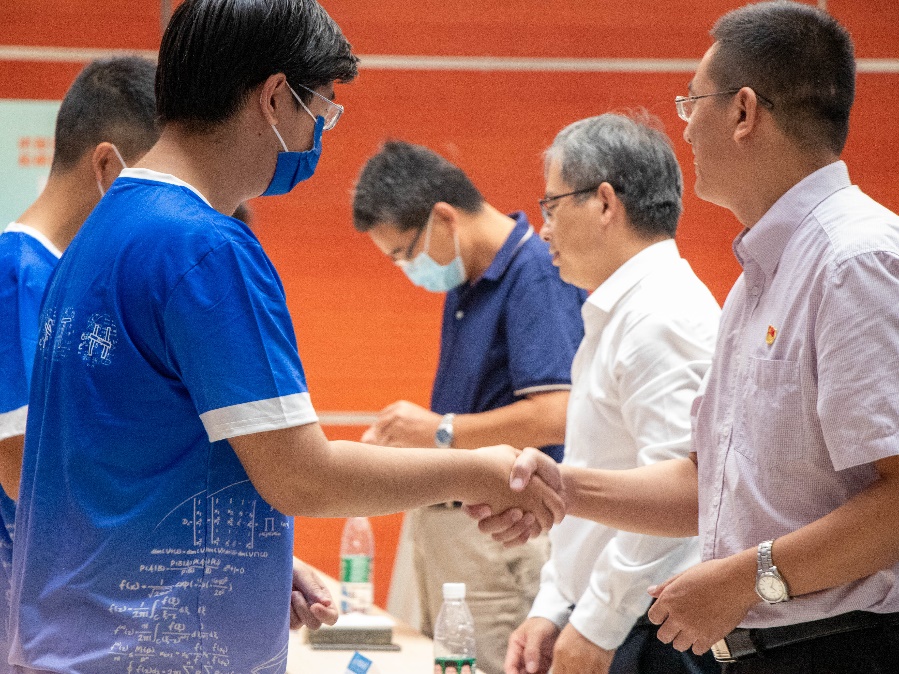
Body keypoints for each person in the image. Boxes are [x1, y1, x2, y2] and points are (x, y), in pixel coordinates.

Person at [7, 2, 563, 673]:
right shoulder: (206, 249)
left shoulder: (99, 234)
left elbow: (120, 469)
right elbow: (302, 475)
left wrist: (255, 557)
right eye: (319, 111)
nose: (316, 137)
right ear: (274, 97)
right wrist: (482, 469)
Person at [477, 2, 899, 673]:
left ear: (743, 112)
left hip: (843, 649)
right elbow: (708, 484)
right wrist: (563, 488)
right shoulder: (759, 278)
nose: (686, 127)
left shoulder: (854, 260)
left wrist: (747, 579)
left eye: (692, 103)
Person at [352, 140, 585, 674]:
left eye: (405, 253)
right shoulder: (467, 280)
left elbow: (557, 413)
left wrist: (440, 431)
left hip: (499, 537)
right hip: (450, 528)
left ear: (443, 217)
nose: (407, 268)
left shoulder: (535, 273)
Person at [500, 113, 720, 674]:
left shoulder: (661, 315)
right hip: (623, 619)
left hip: (654, 628)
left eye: (551, 206)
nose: (543, 229)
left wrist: (596, 626)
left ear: (604, 203)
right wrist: (554, 607)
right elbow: (599, 475)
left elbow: (678, 501)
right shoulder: (621, 312)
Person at [0, 56, 159, 674]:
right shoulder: (17, 275)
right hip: (32, 615)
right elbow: (23, 467)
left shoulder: (67, 277)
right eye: (155, 186)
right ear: (108, 167)